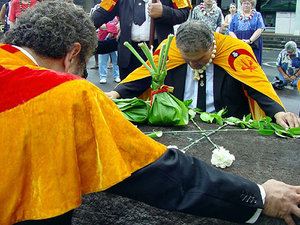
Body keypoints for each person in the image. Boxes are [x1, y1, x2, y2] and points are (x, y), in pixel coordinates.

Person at [1, 2, 300, 225]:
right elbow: (149, 170)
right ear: (72, 56)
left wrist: (275, 111)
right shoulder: (63, 92)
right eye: (82, 71)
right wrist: (259, 196)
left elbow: (256, 84)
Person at [107, 21, 300, 129]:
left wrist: (279, 112)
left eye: (199, 59)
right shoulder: (171, 49)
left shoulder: (235, 51)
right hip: (180, 123)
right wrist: (115, 94)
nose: (192, 64)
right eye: (186, 59)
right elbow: (144, 76)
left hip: (227, 125)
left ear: (212, 45)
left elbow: (257, 86)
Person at [91, 0, 191, 80]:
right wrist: (80, 30)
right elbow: (102, 13)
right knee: (129, 99)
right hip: (128, 56)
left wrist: (164, 12)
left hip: (159, 54)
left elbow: (184, 13)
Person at [228, 0, 265, 65]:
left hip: (253, 43)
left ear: (251, 5)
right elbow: (230, 30)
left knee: (252, 64)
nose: (246, 5)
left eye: (248, 3)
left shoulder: (257, 15)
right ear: (241, 4)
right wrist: (238, 41)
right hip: (238, 42)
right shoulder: (235, 16)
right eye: (244, 3)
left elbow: (261, 28)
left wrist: (250, 41)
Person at [98, 16, 121, 84]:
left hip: (115, 39)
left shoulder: (118, 13)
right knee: (102, 60)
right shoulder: (102, 14)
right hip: (103, 39)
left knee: (116, 59)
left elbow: (119, 25)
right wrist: (113, 29)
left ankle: (117, 76)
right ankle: (103, 77)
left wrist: (109, 29)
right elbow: (101, 26)